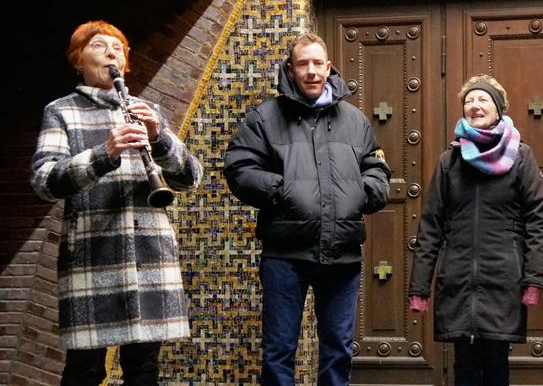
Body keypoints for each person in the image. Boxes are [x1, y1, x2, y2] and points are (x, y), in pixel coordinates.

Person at [30, 20, 203, 385]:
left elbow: (190, 178)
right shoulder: (62, 111)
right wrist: (103, 153)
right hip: (93, 258)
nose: (112, 52)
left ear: (126, 64)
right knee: (85, 371)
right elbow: (45, 181)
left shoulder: (147, 110)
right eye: (99, 46)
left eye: (119, 48)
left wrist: (160, 139)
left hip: (149, 258)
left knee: (143, 371)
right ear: (77, 60)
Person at [223, 33, 390, 386]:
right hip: (285, 254)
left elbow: (376, 167)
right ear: (290, 68)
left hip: (343, 256)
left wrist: (363, 193)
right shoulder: (265, 117)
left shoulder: (355, 119)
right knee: (279, 351)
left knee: (338, 350)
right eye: (303, 64)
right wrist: (283, 191)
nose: (311, 71)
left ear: (329, 67)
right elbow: (239, 168)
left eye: (318, 63)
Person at [407, 75, 543, 386]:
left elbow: (537, 220)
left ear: (498, 109)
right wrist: (419, 288)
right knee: (465, 366)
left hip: (502, 279)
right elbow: (431, 226)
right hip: (458, 279)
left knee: (497, 363)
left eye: (483, 99)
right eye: (469, 101)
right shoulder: (450, 161)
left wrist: (533, 280)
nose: (475, 105)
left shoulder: (520, 157)